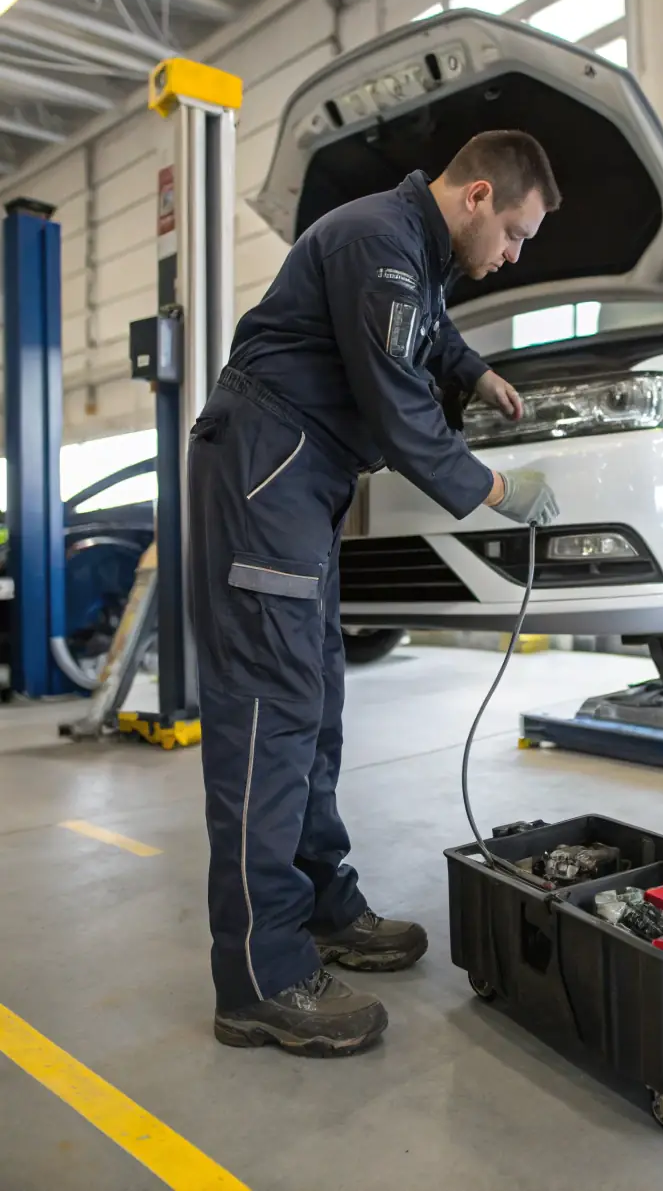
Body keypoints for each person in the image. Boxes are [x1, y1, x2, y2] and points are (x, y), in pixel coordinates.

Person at [187, 130, 561, 1057]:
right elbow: (397, 407)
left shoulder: (410, 250)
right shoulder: (377, 243)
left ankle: (320, 906)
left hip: (299, 486)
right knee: (270, 721)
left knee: (314, 707)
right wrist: (496, 490)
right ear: (477, 196)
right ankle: (259, 976)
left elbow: (423, 331)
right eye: (515, 234)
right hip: (267, 474)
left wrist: (476, 369)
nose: (514, 255)